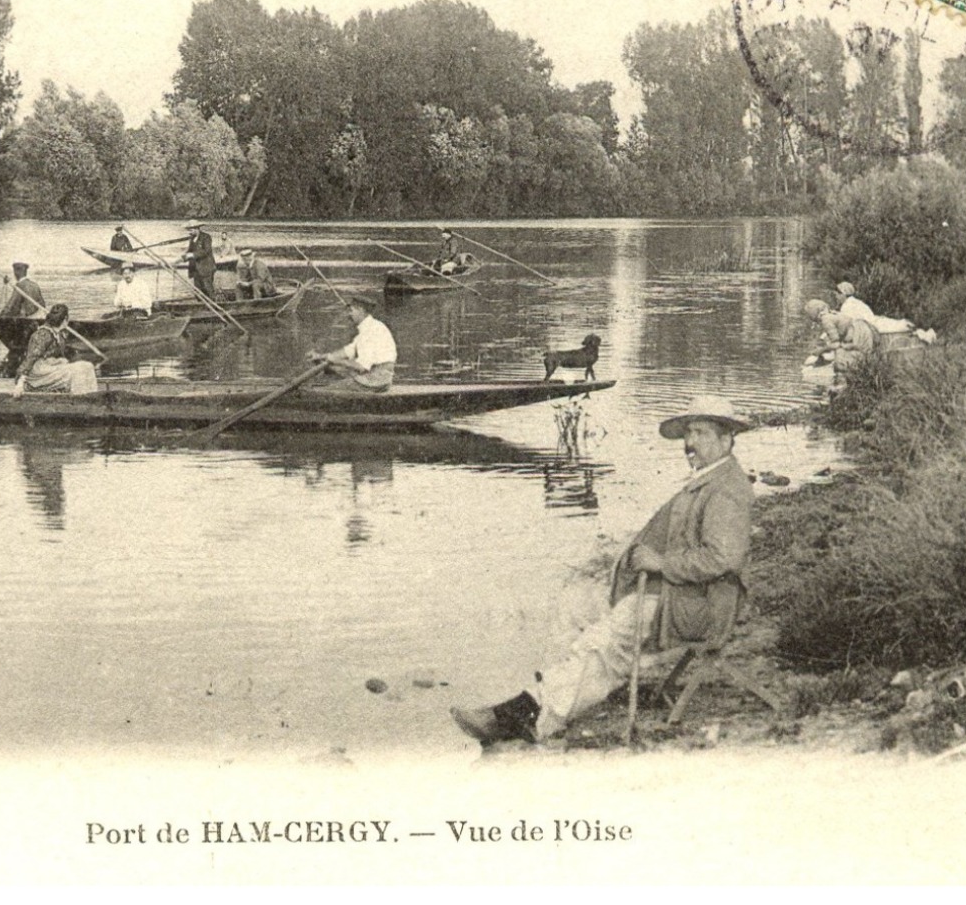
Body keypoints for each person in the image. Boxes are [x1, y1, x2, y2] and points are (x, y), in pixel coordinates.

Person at [451, 396, 755, 746]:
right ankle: (552, 697)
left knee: (609, 638)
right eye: (688, 433)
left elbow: (723, 559)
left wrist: (660, 563)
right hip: (678, 592)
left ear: (726, 438)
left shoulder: (726, 490)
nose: (689, 444)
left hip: (702, 606)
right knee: (575, 603)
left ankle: (528, 716)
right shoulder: (708, 477)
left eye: (700, 433)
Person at [307, 293, 397, 391]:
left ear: (361, 310)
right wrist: (321, 356)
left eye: (351, 310)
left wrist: (335, 361)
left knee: (325, 390)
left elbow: (361, 367)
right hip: (379, 378)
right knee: (332, 371)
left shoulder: (369, 332)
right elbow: (348, 351)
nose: (349, 314)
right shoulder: (371, 326)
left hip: (374, 381)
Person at [12, 304, 99, 396]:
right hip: (38, 374)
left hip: (48, 368)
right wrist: (20, 384)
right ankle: (78, 399)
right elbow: (30, 359)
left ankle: (90, 396)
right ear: (65, 319)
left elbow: (52, 356)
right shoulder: (43, 334)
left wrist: (58, 361)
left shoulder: (58, 334)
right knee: (77, 371)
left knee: (87, 366)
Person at [184, 219, 217, 299]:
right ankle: (200, 305)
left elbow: (206, 251)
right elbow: (189, 251)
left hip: (206, 268)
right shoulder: (192, 238)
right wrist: (182, 257)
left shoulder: (206, 237)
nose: (189, 232)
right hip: (196, 269)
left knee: (208, 289)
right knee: (198, 291)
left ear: (197, 229)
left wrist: (192, 255)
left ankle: (213, 305)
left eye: (191, 230)